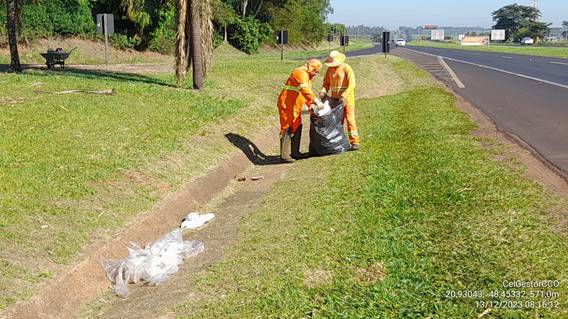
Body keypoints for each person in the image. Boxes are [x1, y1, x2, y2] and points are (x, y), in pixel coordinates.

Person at [277, 58, 322, 163]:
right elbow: (304, 90)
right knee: (287, 126)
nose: (316, 74)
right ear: (311, 68)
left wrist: (310, 104)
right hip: (286, 104)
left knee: (297, 125)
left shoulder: (307, 76)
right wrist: (315, 100)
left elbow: (305, 93)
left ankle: (295, 152)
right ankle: (284, 155)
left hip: (295, 105)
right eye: (316, 71)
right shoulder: (299, 73)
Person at [320, 50, 359, 150]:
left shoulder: (346, 68)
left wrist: (344, 95)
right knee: (337, 121)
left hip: (347, 100)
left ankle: (355, 142)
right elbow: (326, 83)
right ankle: (338, 142)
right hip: (335, 101)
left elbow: (352, 84)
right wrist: (323, 91)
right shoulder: (329, 70)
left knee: (350, 119)